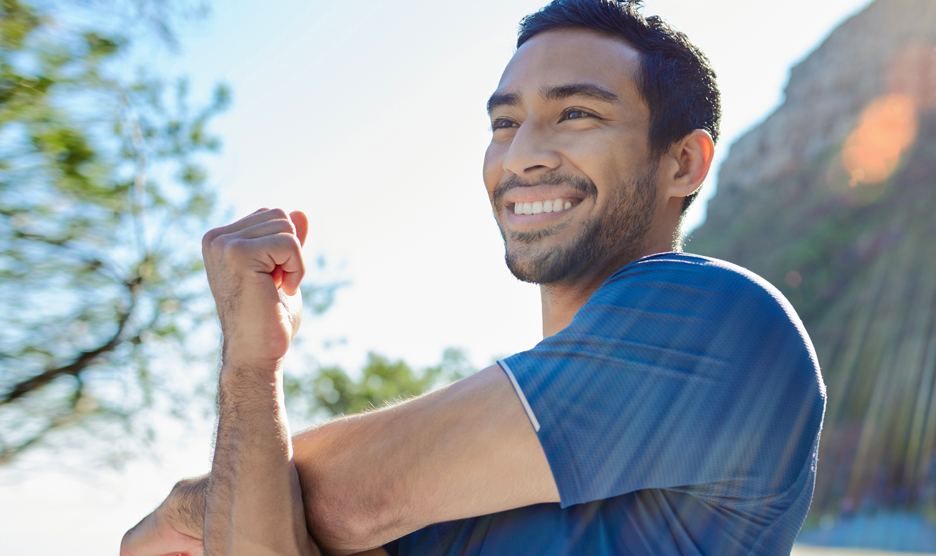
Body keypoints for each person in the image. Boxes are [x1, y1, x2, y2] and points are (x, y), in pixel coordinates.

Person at [120, 1, 826, 554]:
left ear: (684, 163)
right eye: (504, 122)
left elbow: (337, 500)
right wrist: (251, 362)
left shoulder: (716, 318)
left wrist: (192, 504)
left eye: (576, 113)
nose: (522, 155)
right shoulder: (457, 499)